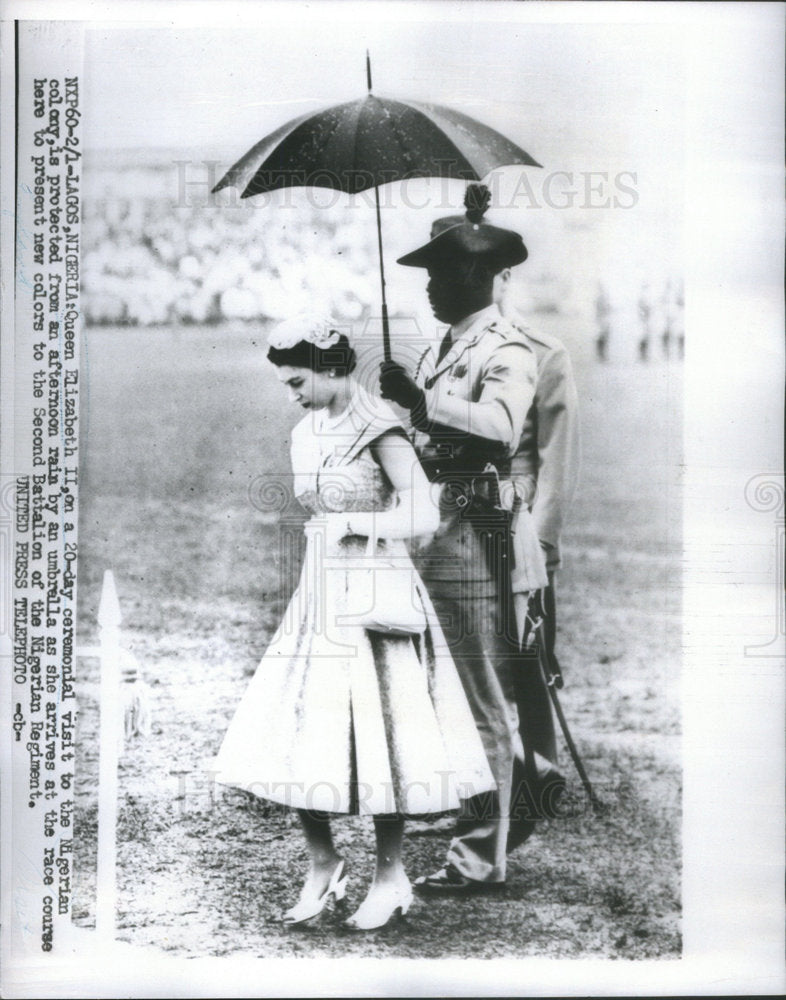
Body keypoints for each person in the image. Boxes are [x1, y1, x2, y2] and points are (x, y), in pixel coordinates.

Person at [213, 314, 496, 931]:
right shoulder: (303, 431)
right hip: (320, 593)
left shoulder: (379, 423)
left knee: (380, 730)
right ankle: (323, 864)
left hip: (376, 589)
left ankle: (390, 875)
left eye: (296, 381)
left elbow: (423, 510)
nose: (291, 394)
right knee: (296, 724)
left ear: (329, 367)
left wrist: (360, 523)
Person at [379, 184, 569, 894]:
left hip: (475, 530)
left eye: (439, 274)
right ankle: (528, 786)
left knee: (478, 696)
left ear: (476, 278)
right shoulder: (446, 344)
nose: (428, 286)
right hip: (441, 526)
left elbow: (498, 426)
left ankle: (479, 855)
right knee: (454, 687)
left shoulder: (507, 349)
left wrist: (424, 403)